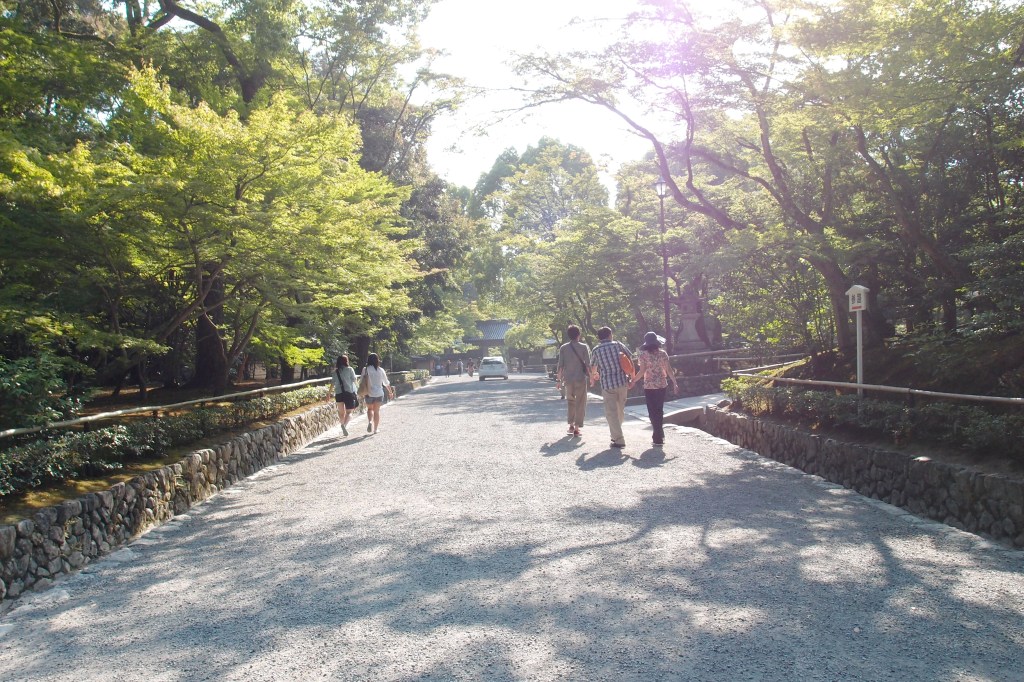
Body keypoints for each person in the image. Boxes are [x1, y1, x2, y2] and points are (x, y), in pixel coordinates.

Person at [629, 332, 679, 446]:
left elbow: (642, 371)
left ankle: (657, 435)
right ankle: (659, 434)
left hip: (649, 386)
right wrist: (675, 383)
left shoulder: (643, 355)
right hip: (662, 384)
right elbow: (669, 369)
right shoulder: (663, 353)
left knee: (652, 411)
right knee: (659, 410)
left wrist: (633, 381)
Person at [589, 326, 633, 448]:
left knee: (611, 412)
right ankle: (617, 435)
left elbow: (593, 367)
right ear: (610, 335)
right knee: (620, 410)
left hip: (607, 384)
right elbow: (630, 359)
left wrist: (595, 374)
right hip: (622, 382)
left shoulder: (596, 350)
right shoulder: (618, 345)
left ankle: (618, 438)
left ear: (599, 337)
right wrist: (632, 377)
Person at [556, 325, 591, 437]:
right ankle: (577, 428)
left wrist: (558, 380)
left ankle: (571, 425)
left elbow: (560, 366)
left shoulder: (563, 348)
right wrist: (592, 378)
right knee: (580, 403)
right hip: (580, 379)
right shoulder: (584, 347)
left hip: (568, 380)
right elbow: (588, 364)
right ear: (578, 335)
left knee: (570, 402)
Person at [360, 353, 394, 434]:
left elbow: (361, 381)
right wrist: (390, 392)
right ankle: (375, 429)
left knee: (369, 409)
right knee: (376, 411)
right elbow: (386, 383)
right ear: (377, 360)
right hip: (379, 393)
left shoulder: (365, 369)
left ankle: (370, 422)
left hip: (368, 393)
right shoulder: (380, 370)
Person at [329, 355, 358, 436]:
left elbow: (332, 384)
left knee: (341, 412)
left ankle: (342, 423)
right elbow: (354, 380)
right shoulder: (350, 369)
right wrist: (358, 390)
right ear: (346, 361)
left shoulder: (335, 372)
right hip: (348, 393)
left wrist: (328, 394)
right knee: (349, 412)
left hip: (338, 394)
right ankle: (344, 425)